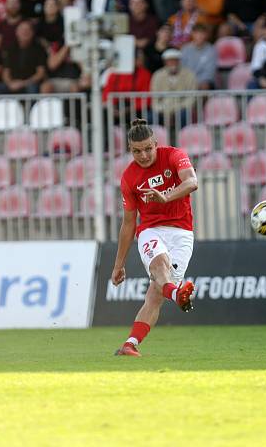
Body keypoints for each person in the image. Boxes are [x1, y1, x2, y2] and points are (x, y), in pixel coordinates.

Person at [112, 119, 197, 357]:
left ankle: (130, 344)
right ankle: (177, 293)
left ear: (156, 144)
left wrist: (165, 197)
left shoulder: (173, 155)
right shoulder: (129, 177)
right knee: (160, 265)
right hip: (151, 230)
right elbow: (129, 224)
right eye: (137, 151)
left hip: (182, 233)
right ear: (130, 150)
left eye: (148, 148)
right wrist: (119, 265)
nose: (144, 155)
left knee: (155, 296)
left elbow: (192, 181)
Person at [0, 20, 47, 94]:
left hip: (29, 83)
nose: (25, 32)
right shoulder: (10, 49)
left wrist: (23, 83)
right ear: (17, 32)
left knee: (32, 89)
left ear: (32, 33)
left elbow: (40, 73)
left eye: (27, 30)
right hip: (12, 83)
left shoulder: (39, 49)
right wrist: (10, 84)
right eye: (22, 30)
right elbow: (6, 72)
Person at [149, 49, 198, 126]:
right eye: (169, 61)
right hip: (163, 109)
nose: (172, 63)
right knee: (150, 117)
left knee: (184, 115)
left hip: (181, 108)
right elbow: (154, 98)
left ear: (179, 61)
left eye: (175, 60)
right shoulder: (157, 75)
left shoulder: (189, 74)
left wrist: (176, 109)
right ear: (165, 62)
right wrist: (164, 110)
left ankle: (182, 137)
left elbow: (191, 97)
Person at [180, 23, 216, 89]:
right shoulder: (185, 49)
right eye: (197, 33)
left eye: (202, 33)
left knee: (205, 86)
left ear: (206, 35)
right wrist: (190, 81)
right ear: (192, 34)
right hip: (187, 80)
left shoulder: (211, 50)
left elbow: (210, 72)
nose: (199, 36)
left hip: (204, 82)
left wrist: (197, 83)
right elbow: (182, 68)